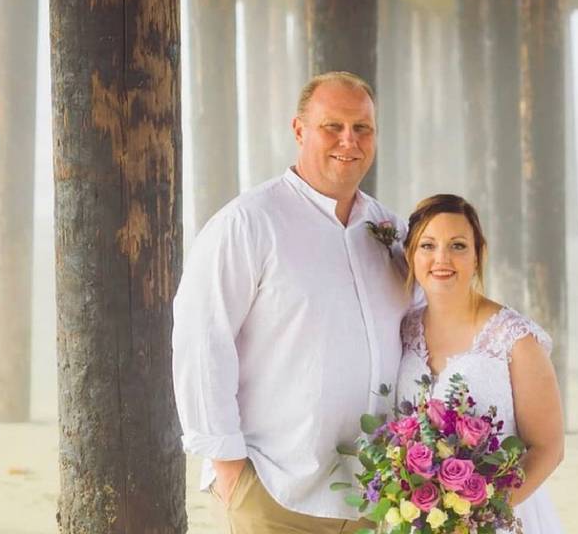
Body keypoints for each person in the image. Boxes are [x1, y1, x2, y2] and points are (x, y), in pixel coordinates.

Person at [172, 72, 410, 534]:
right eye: (332, 127)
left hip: (373, 497)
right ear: (299, 130)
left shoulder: (390, 230)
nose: (349, 140)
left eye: (362, 128)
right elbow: (202, 341)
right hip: (274, 493)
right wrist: (228, 466)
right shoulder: (248, 223)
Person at [396, 194, 565, 534]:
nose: (441, 258)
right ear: (411, 256)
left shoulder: (515, 339)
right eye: (427, 246)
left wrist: (476, 517)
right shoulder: (404, 329)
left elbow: (548, 449)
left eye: (457, 246)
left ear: (477, 255)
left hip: (498, 518)